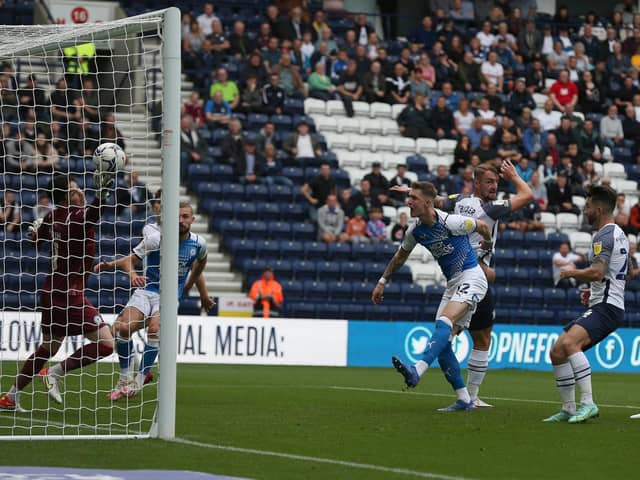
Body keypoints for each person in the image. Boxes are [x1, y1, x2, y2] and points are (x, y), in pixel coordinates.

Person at [0, 173, 115, 411]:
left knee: (49, 347)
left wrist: (35, 230)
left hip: (51, 292)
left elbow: (34, 240)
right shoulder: (74, 217)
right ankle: (55, 372)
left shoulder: (52, 216)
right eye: (75, 189)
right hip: (69, 295)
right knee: (106, 344)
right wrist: (101, 194)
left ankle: (10, 397)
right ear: (66, 196)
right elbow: (92, 215)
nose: (80, 192)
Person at [374, 181, 493, 411]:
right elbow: (399, 257)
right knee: (443, 343)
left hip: (472, 276)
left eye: (413, 199)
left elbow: (482, 227)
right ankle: (464, 399)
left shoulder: (451, 222)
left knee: (444, 322)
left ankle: (417, 370)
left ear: (427, 203)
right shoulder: (415, 231)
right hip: (453, 284)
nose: (409, 203)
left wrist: (486, 246)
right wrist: (382, 282)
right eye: (409, 198)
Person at [437, 161, 534, 407]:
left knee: (479, 336)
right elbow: (528, 195)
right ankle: (435, 372)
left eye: (497, 182)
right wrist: (513, 176)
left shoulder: (456, 200)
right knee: (458, 334)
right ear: (476, 182)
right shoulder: (490, 209)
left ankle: (470, 396)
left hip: (459, 271)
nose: (494, 186)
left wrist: (412, 194)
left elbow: (435, 202)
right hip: (476, 275)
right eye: (489, 182)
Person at [94, 199, 212, 399]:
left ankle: (138, 381)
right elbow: (129, 261)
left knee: (155, 330)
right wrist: (132, 275)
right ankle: (124, 378)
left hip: (168, 295)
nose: (180, 220)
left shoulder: (199, 244)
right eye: (177, 216)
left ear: (192, 219)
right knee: (122, 329)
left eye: (185, 217)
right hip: (146, 290)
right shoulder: (155, 239)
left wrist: (193, 288)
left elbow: (201, 264)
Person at [544, 186, 628, 423]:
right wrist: (594, 289)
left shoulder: (603, 235)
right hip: (606, 302)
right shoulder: (620, 234)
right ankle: (568, 408)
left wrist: (572, 272)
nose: (585, 211)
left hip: (607, 307)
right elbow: (625, 271)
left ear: (599, 209)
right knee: (557, 352)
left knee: (571, 343)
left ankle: (588, 403)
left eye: (588, 207)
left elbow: (598, 270)